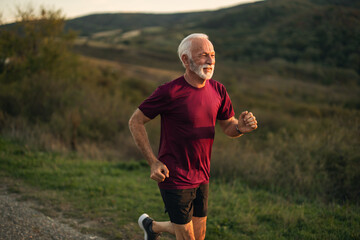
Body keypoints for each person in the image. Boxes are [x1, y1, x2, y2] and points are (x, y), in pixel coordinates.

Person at [128, 33, 258, 240]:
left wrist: (240, 127)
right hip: (174, 175)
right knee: (188, 237)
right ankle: (154, 227)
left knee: (199, 235)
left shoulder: (219, 90)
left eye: (213, 55)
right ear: (185, 60)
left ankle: (151, 227)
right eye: (203, 55)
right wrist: (153, 162)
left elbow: (228, 126)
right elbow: (135, 121)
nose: (210, 60)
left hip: (202, 175)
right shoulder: (169, 91)